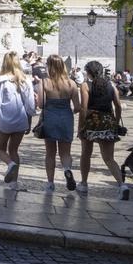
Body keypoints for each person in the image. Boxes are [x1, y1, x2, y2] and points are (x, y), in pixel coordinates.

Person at [78, 60, 129, 200]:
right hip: (107, 121)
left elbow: (83, 108)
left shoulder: (85, 85)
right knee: (109, 158)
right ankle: (122, 185)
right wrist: (116, 122)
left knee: (85, 154)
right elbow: (118, 106)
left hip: (91, 121)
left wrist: (80, 127)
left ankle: (83, 184)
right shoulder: (111, 85)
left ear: (88, 72)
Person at [0, 52, 36, 190]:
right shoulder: (25, 80)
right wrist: (29, 121)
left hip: (5, 120)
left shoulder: (0, 80)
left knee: (0, 149)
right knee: (14, 150)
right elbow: (30, 104)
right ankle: (14, 183)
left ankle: (10, 164)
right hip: (21, 119)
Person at [38, 56, 80, 192]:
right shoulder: (71, 83)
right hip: (66, 118)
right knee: (65, 152)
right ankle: (67, 169)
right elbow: (78, 107)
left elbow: (40, 104)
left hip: (50, 118)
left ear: (50, 66)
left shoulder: (45, 82)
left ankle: (50, 183)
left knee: (50, 153)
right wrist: (68, 112)